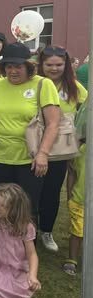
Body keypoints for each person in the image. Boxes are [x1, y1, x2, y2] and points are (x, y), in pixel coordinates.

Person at [0, 42, 60, 225]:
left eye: (18, 66)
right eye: (9, 66)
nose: (13, 71)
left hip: (30, 158)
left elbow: (53, 124)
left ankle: (27, 242)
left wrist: (43, 154)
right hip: (0, 156)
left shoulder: (43, 84)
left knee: (27, 207)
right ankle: (2, 241)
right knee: (1, 205)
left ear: (29, 66)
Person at [36, 46, 87, 252]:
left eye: (59, 64)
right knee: (32, 191)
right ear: (41, 65)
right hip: (33, 145)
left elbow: (86, 110)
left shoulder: (74, 87)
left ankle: (46, 230)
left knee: (51, 191)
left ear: (66, 65)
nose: (54, 68)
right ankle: (29, 230)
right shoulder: (34, 83)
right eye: (49, 64)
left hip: (60, 150)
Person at [0, 183, 41, 298]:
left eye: (4, 205)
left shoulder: (25, 227)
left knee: (24, 287)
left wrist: (33, 275)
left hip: (18, 269)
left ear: (15, 208)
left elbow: (32, 254)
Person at [65, 143, 86, 276]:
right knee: (77, 231)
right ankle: (72, 260)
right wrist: (69, 195)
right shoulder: (82, 150)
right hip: (80, 200)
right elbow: (72, 172)